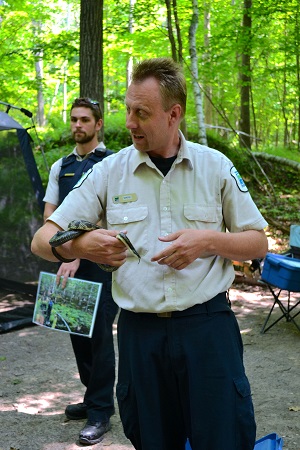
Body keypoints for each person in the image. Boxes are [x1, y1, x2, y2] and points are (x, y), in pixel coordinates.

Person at [32, 58, 268, 450]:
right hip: (140, 333)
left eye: (141, 113)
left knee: (224, 436)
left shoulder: (215, 167)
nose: (128, 122)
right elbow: (42, 239)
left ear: (173, 114)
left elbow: (257, 242)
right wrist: (79, 245)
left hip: (208, 328)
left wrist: (208, 241)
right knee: (153, 439)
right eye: (127, 109)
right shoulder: (109, 172)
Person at [43, 97, 119, 445]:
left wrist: (77, 250)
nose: (78, 125)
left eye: (85, 119)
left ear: (98, 124)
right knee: (77, 332)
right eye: (73, 119)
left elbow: (112, 215)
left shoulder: (114, 162)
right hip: (68, 264)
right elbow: (49, 218)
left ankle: (101, 412)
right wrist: (66, 253)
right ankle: (94, 399)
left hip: (102, 263)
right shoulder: (61, 166)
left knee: (100, 336)